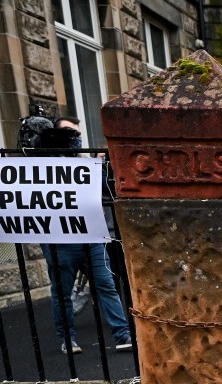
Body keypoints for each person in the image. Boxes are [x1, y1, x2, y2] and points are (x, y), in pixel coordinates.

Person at [39, 116, 132, 355]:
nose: (75, 139)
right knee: (62, 291)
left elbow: (107, 189)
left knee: (106, 284)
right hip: (61, 239)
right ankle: (68, 339)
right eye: (69, 133)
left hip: (92, 235)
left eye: (77, 133)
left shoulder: (85, 166)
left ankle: (123, 335)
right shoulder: (40, 165)